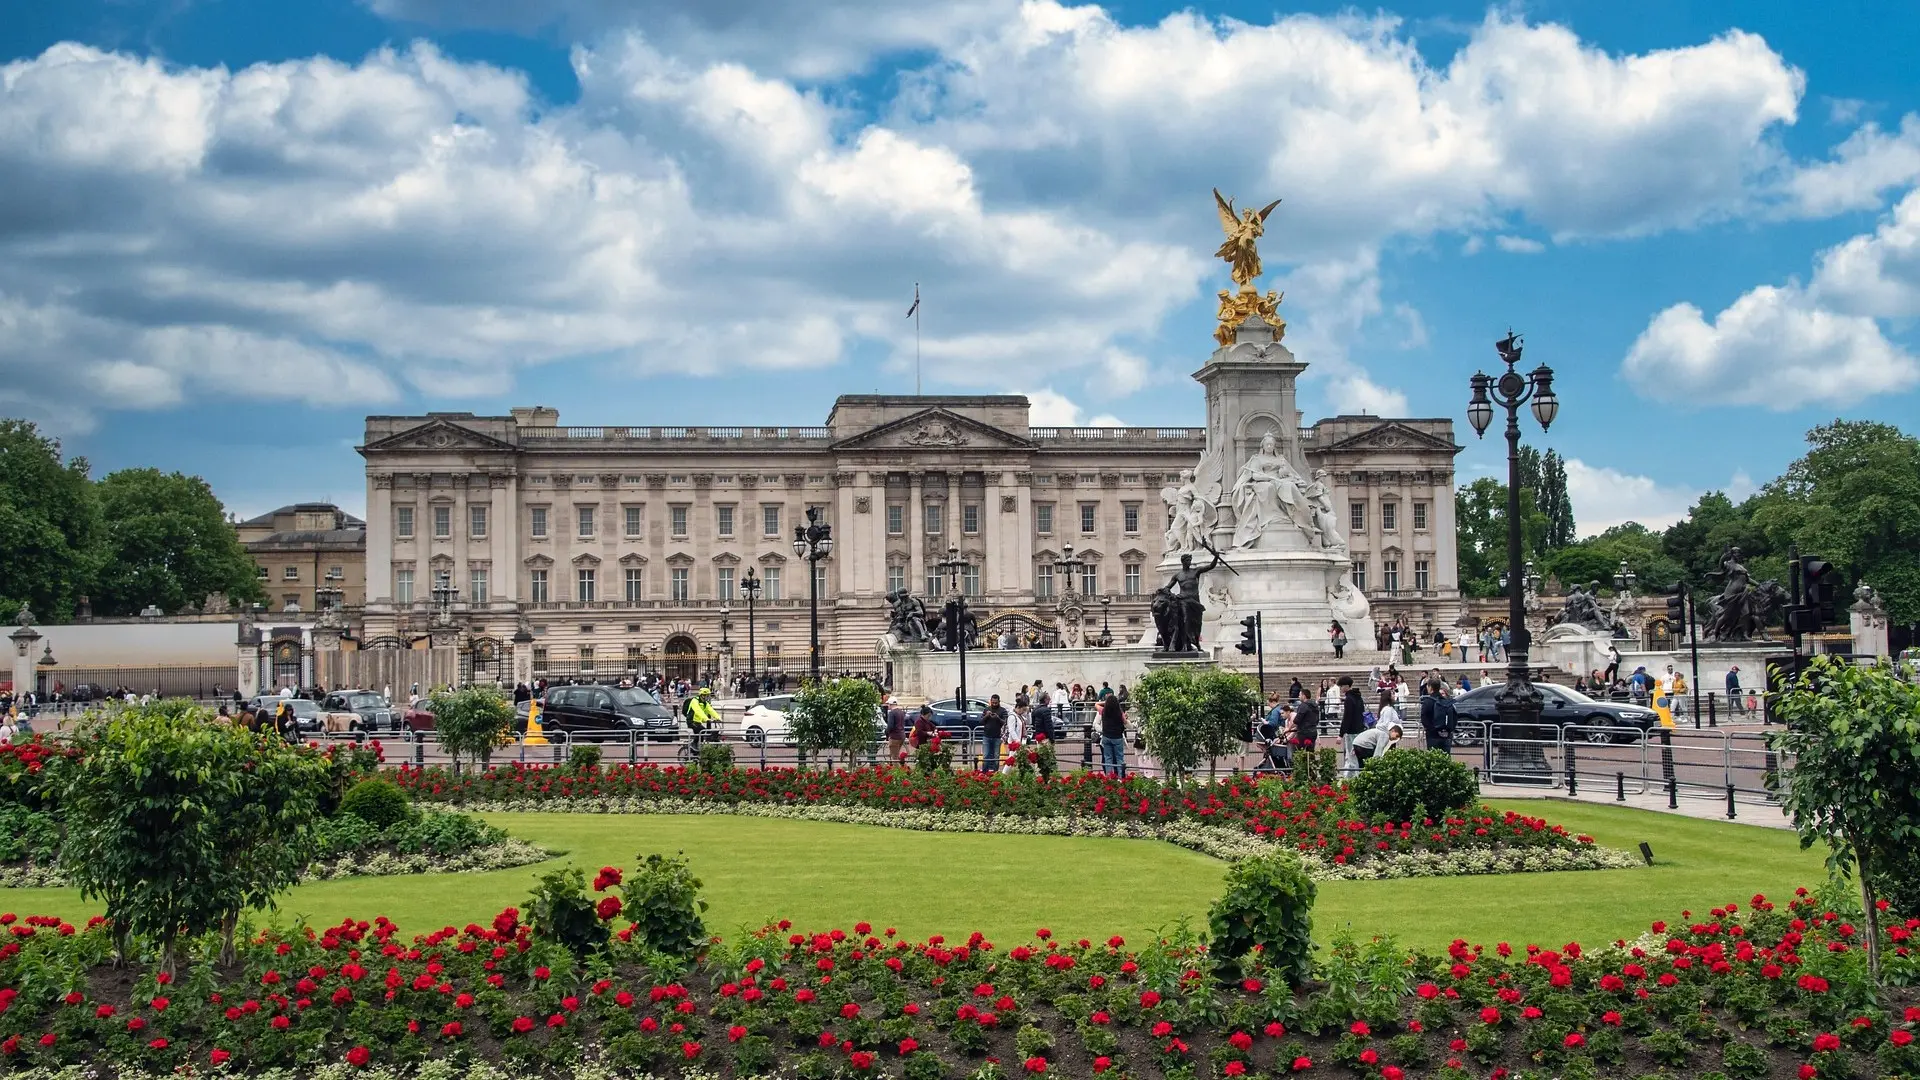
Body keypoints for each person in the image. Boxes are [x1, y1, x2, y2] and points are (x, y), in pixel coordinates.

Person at [1338, 675, 1366, 777]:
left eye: (1341, 686)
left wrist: (1341, 734)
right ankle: (1347, 778)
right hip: (1359, 729)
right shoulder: (1358, 697)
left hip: (1351, 732)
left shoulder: (1349, 699)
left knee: (1351, 756)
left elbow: (1347, 717)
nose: (1340, 688)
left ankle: (1355, 778)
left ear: (1346, 686)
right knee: (1353, 756)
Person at [1419, 680, 1456, 753]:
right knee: (1446, 757)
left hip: (1432, 735)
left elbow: (1424, 718)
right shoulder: (1446, 701)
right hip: (1446, 734)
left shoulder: (1428, 701)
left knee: (1433, 758)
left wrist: (1430, 729)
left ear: (1430, 688)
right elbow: (1454, 717)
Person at [1098, 692, 1128, 778]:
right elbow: (1125, 722)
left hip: (1106, 736)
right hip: (1117, 737)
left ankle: (1109, 777)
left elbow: (1096, 704)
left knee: (1108, 758)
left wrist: (1106, 702)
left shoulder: (1103, 711)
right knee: (1119, 758)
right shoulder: (1119, 712)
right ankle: (1120, 776)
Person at [979, 694, 1007, 773]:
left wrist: (997, 718)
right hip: (986, 736)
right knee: (986, 755)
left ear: (999, 702)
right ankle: (984, 773)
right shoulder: (986, 709)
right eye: (993, 702)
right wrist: (987, 716)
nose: (994, 704)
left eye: (996, 703)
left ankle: (995, 773)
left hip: (997, 736)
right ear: (990, 701)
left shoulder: (1003, 710)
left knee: (996, 756)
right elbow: (981, 722)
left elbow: (1004, 722)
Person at [884, 696, 907, 763]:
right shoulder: (901, 712)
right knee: (896, 754)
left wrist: (886, 732)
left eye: (888, 704)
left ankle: (897, 771)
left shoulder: (892, 713)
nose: (888, 706)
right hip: (902, 735)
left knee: (894, 758)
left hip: (894, 737)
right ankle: (902, 766)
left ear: (891, 704)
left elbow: (890, 726)